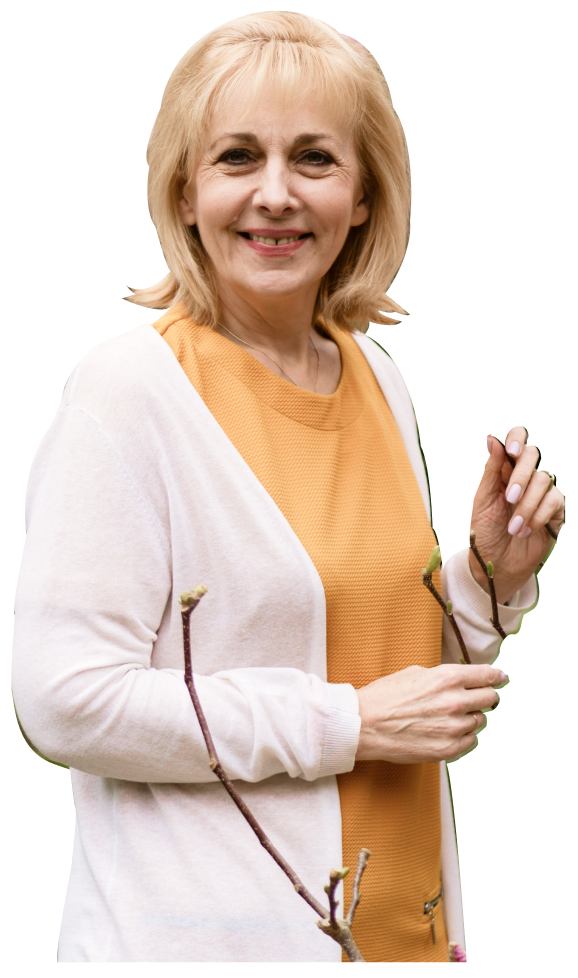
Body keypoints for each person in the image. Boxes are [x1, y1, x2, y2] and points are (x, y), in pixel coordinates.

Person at [11, 11, 566, 964]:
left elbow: (382, 668)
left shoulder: (379, 374)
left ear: (365, 195)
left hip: (401, 944)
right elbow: (65, 700)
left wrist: (486, 577)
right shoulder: (125, 388)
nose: (276, 195)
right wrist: (343, 726)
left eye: (314, 159)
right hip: (210, 956)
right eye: (237, 158)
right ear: (184, 192)